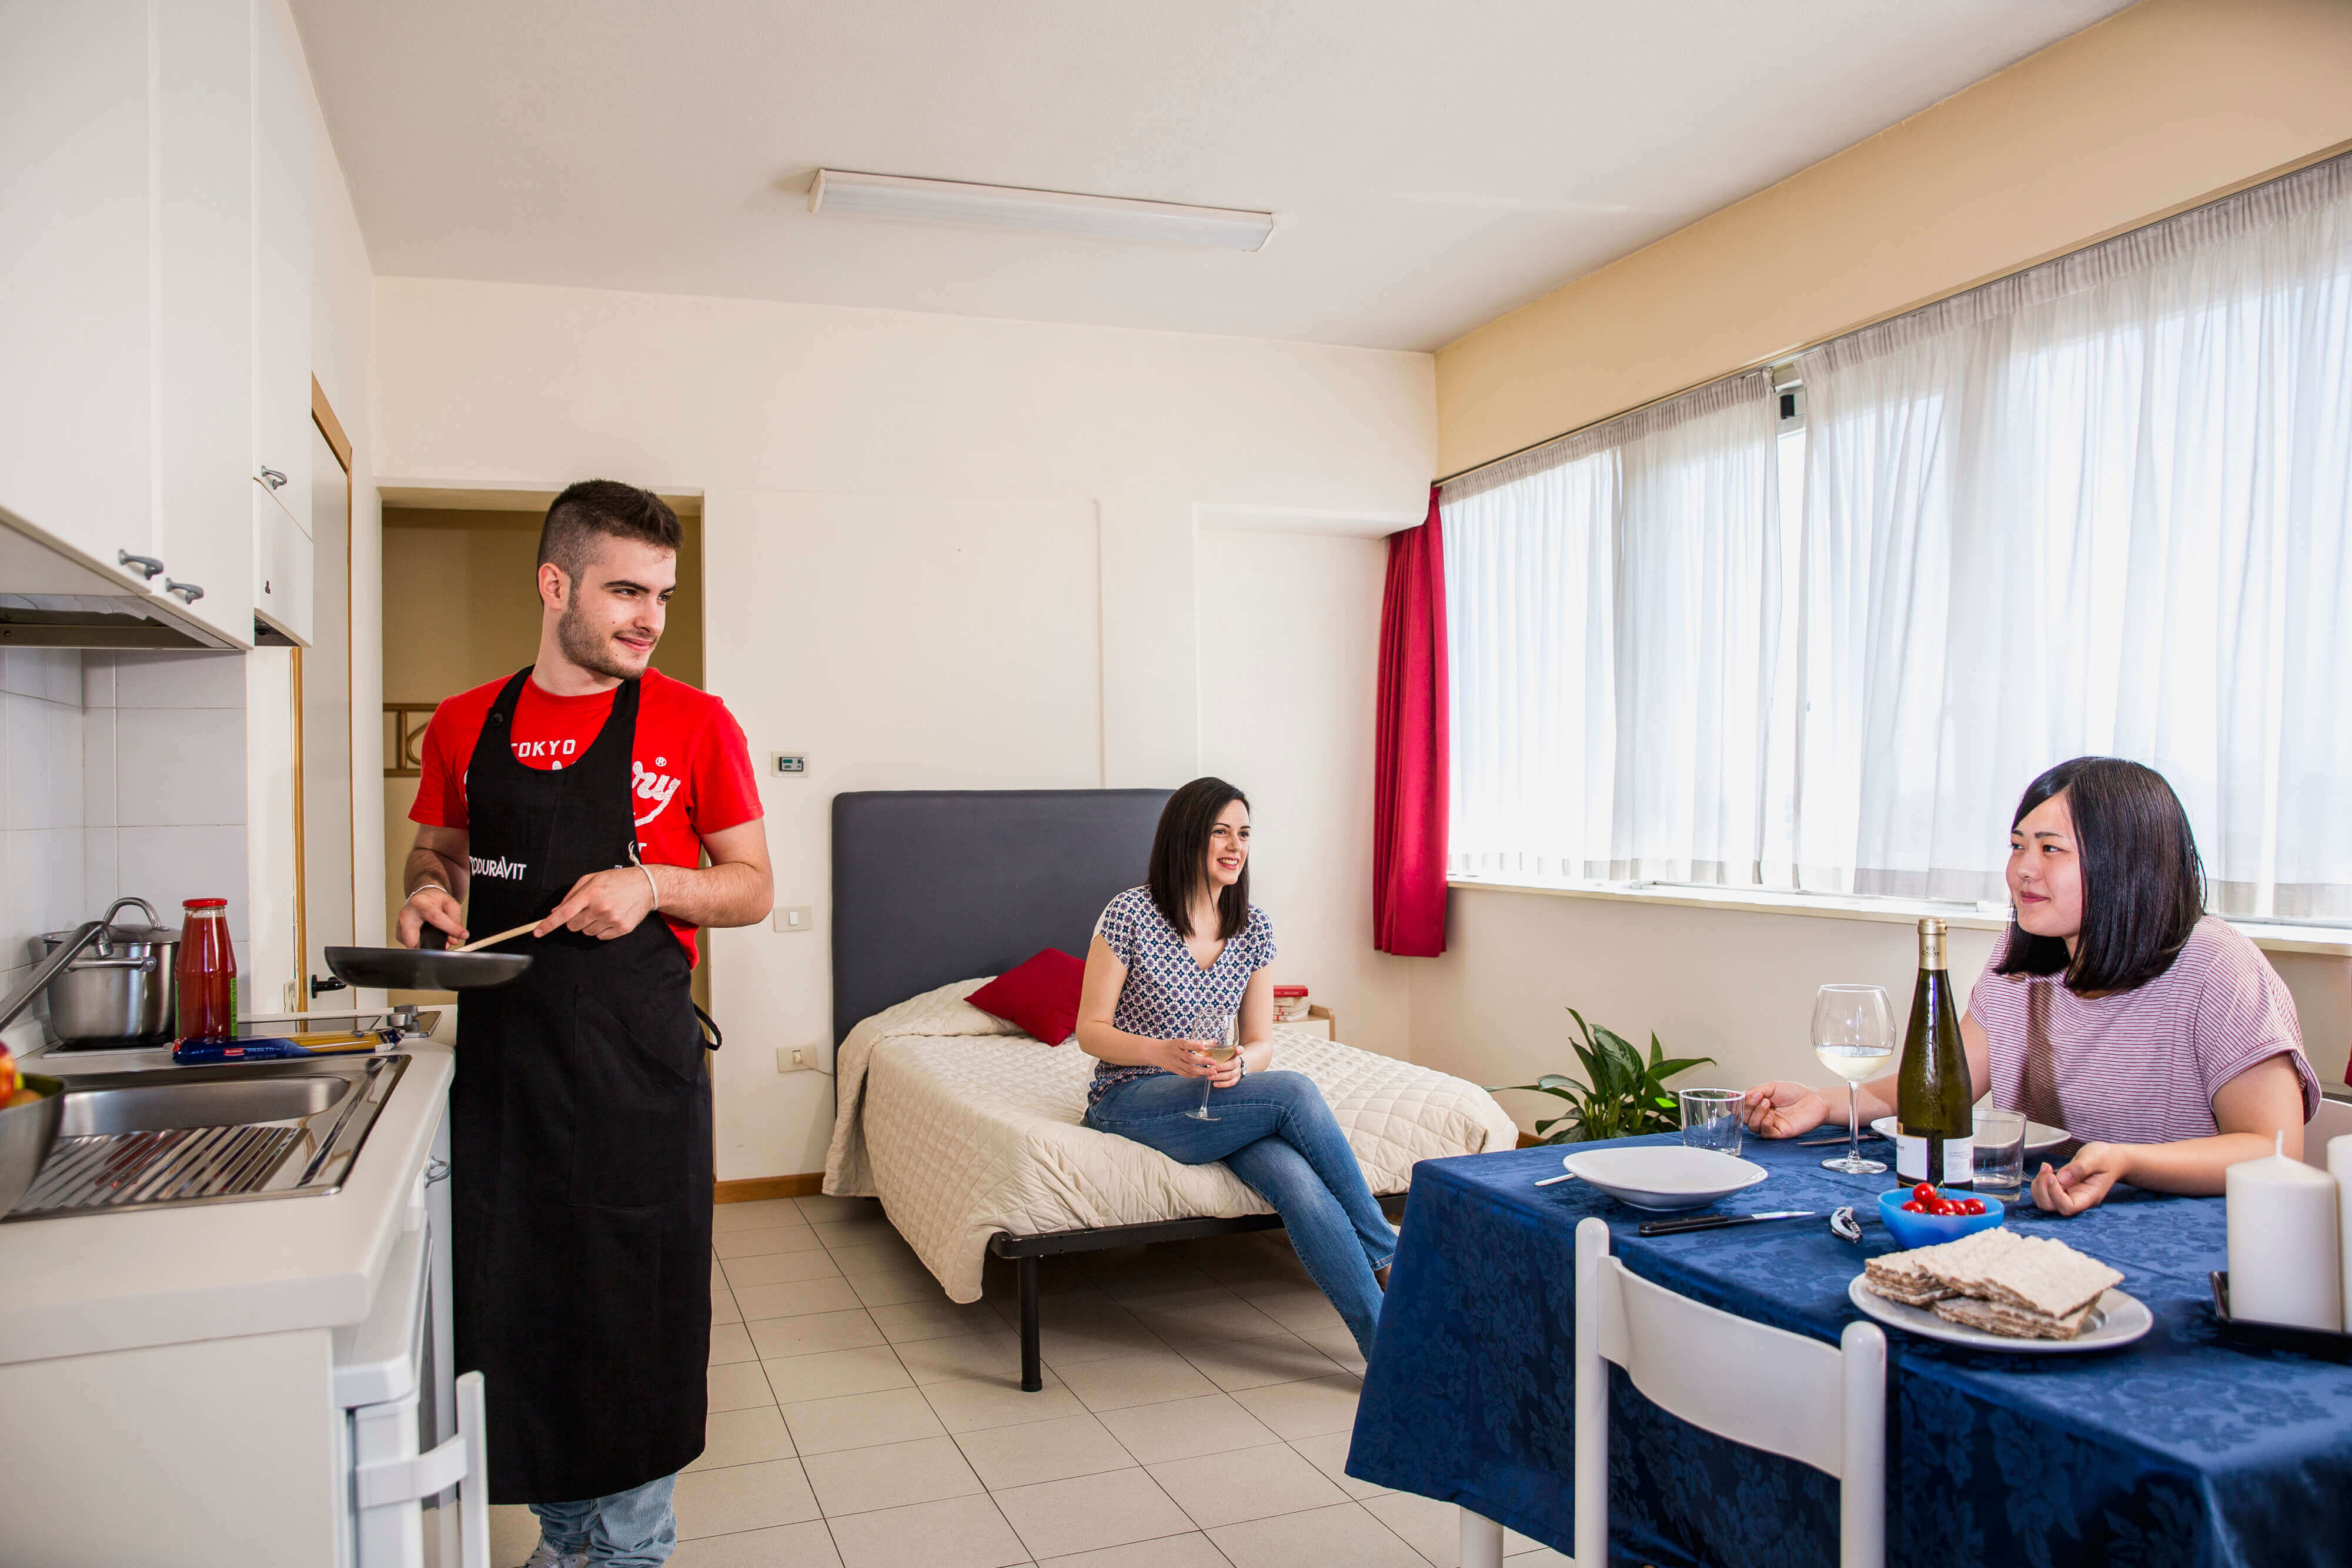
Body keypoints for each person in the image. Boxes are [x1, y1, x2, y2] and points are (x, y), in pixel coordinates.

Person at [399, 480, 773, 1568]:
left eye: (662, 594)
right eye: (625, 591)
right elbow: (437, 850)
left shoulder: (695, 722)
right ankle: (567, 1545)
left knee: (629, 1321)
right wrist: (425, 892)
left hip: (634, 1082)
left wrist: (653, 885)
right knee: (523, 1317)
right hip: (505, 1079)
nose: (650, 618)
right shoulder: (465, 721)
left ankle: (626, 1552)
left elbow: (752, 885)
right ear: (555, 583)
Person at [1742, 757, 2316, 1215]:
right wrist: (1825, 1103)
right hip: (2040, 1219)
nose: (2022, 869)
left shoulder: (2218, 967)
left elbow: (2274, 1149)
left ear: (2125, 863)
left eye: (2050, 849)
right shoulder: (2022, 963)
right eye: (2018, 846)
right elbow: (1942, 1089)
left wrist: (2125, 1161)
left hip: (2182, 1240)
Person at [1075, 777, 1397, 1358]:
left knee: (1298, 1184)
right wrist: (1160, 1051)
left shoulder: (1254, 927)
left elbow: (1260, 1042)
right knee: (1294, 1093)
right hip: (1130, 1097)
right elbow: (1089, 1031)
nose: (1235, 846)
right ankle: (1387, 1254)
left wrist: (1241, 1066)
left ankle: (1386, 1353)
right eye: (1220, 832)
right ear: (1186, 836)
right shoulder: (1130, 913)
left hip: (1213, 1097)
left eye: (1244, 833)